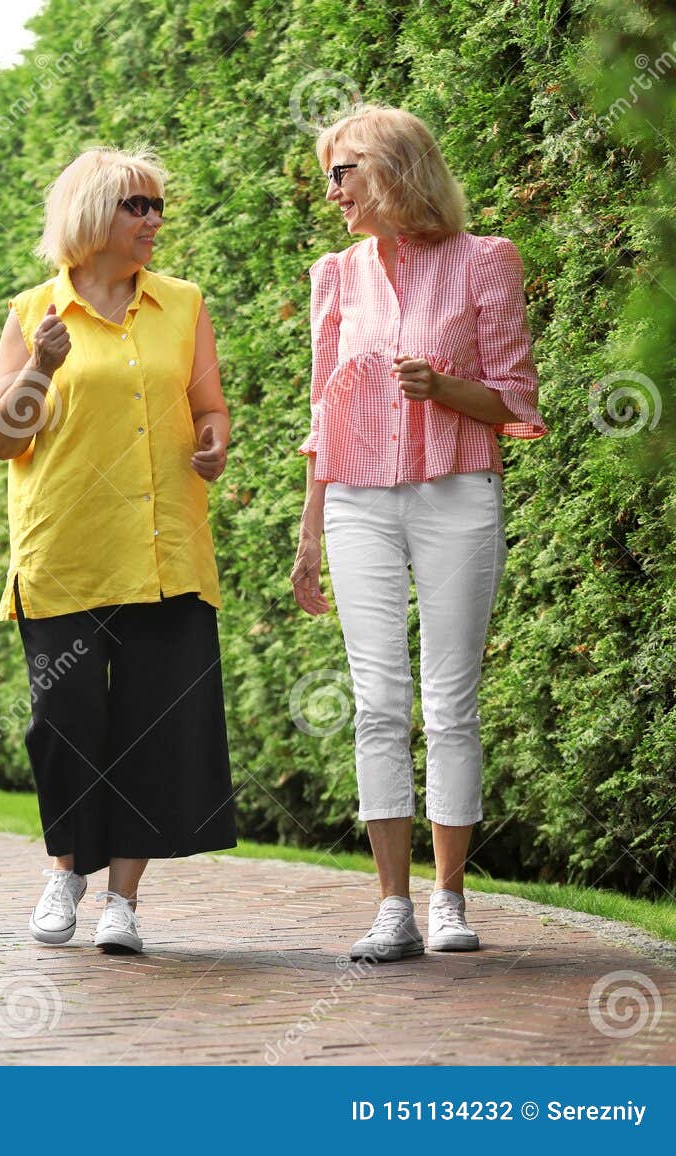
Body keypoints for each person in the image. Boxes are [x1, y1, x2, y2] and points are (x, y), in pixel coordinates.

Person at [290, 104, 547, 961]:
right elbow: (323, 416)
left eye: (344, 170)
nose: (332, 191)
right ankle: (391, 907)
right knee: (378, 704)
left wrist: (441, 385)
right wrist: (307, 532)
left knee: (450, 704)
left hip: (457, 494)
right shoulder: (337, 274)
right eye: (330, 173)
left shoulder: (487, 261)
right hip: (357, 499)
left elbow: (514, 402)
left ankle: (449, 898)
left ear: (396, 169)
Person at [0, 145, 237, 955]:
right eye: (138, 206)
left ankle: (122, 901)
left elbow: (210, 407)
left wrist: (214, 443)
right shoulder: (32, 315)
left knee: (152, 727)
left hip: (164, 551)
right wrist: (40, 373)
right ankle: (66, 873)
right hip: (65, 549)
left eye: (158, 206)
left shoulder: (184, 304)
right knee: (64, 722)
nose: (155, 221)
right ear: (93, 214)